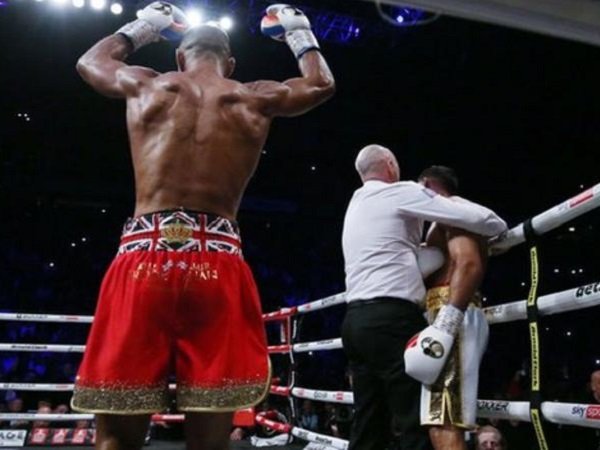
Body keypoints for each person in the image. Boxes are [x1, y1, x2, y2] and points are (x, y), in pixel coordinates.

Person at [69, 2, 335, 450]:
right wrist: (298, 31)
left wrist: (144, 28)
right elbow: (320, 84)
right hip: (217, 263)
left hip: (142, 260)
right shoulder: (251, 96)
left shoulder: (147, 84)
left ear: (179, 57)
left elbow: (90, 63)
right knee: (210, 438)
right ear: (230, 64)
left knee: (116, 435)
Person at [341, 145, 507, 450]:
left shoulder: (357, 202)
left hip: (355, 322)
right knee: (416, 418)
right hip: (391, 319)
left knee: (371, 419)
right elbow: (489, 221)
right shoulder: (405, 193)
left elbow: (460, 262)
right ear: (390, 164)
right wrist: (499, 227)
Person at [412, 165, 490, 450]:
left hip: (451, 313)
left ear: (429, 185)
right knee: (438, 416)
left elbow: (468, 263)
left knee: (445, 417)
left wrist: (448, 318)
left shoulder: (453, 211)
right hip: (445, 314)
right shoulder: (442, 220)